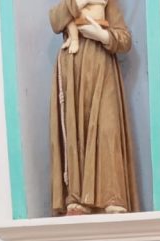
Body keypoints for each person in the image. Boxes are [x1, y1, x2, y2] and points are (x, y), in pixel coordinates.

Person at [49, 0, 139, 215]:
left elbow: (125, 39)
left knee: (108, 128)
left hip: (102, 65)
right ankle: (77, 197)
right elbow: (55, 20)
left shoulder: (109, 3)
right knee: (75, 127)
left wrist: (103, 36)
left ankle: (112, 195)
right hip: (73, 67)